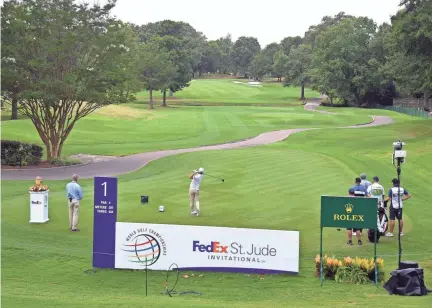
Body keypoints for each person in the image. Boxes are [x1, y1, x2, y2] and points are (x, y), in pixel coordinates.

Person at [346, 177, 368, 245]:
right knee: (358, 228)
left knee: (349, 228)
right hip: (358, 210)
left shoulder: (352, 189)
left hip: (350, 213)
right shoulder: (364, 188)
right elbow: (367, 196)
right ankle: (359, 241)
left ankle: (350, 241)